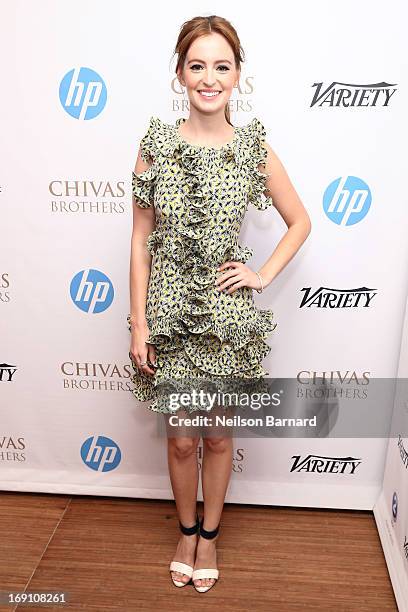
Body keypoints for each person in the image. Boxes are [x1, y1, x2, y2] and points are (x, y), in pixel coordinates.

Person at [127, 14, 311, 593]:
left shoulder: (252, 147)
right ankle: (185, 530)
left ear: (238, 76)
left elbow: (300, 220)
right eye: (197, 65)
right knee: (181, 437)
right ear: (180, 73)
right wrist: (139, 323)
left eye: (221, 66)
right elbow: (139, 240)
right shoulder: (154, 143)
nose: (209, 77)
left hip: (226, 318)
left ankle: (210, 538)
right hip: (169, 314)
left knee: (217, 436)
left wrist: (261, 273)